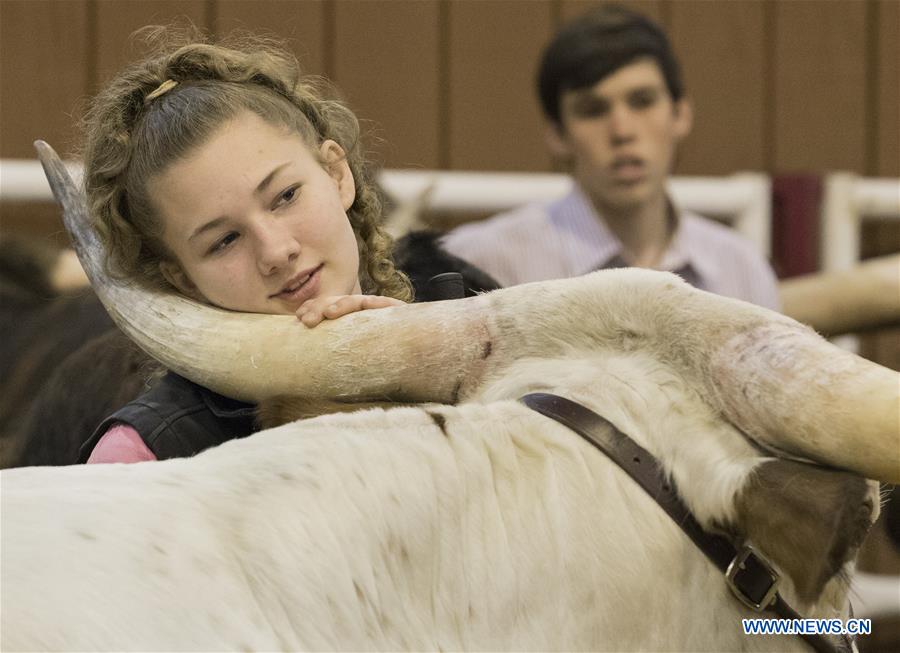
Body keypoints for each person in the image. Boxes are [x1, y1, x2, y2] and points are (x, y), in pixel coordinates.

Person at [75, 29, 490, 465]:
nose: (275, 252)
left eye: (286, 196)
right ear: (183, 278)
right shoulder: (142, 455)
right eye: (225, 241)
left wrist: (432, 374)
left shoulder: (486, 349)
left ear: (336, 174)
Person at [441, 4, 780, 310]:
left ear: (680, 114)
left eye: (642, 101)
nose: (622, 131)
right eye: (593, 110)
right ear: (558, 135)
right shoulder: (485, 261)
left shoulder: (741, 271)